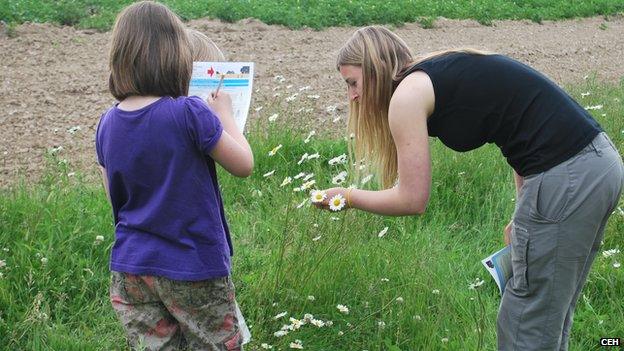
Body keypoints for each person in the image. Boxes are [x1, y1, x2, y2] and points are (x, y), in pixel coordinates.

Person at [316, 25, 623, 350]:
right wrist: (522, 210)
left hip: (569, 174)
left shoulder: (407, 95)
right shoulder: (436, 73)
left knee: (525, 323)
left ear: (376, 68)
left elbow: (412, 199)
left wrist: (348, 196)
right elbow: (520, 127)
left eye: (352, 82)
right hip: (597, 164)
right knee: (548, 316)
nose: (351, 95)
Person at [95, 2, 253, 350]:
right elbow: (243, 164)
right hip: (192, 265)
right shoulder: (189, 112)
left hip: (131, 269)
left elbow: (115, 202)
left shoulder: (106, 123)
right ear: (176, 56)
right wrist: (224, 115)